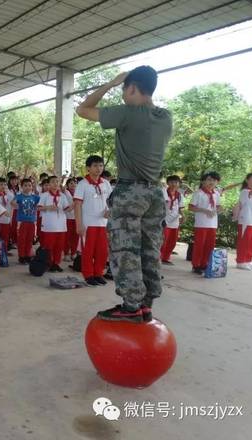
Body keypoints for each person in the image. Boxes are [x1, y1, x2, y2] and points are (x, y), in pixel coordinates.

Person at [76, 65, 172, 323]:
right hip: (154, 193)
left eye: (123, 90)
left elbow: (82, 109)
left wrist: (108, 84)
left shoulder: (129, 113)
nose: (122, 95)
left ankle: (131, 306)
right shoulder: (165, 117)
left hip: (130, 191)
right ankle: (146, 304)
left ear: (131, 88)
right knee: (149, 249)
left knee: (124, 249)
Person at [72, 156, 112, 287]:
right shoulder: (83, 184)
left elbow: (110, 202)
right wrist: (79, 224)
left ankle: (98, 273)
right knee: (88, 251)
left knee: (102, 251)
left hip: (103, 223)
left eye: (101, 166)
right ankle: (88, 275)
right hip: (88, 224)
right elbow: (77, 205)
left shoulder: (105, 183)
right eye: (95, 166)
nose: (98, 169)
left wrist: (109, 211)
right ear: (88, 168)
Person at [189, 172, 222, 274]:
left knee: (210, 245)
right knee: (200, 245)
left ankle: (205, 264)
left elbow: (218, 206)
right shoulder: (198, 193)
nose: (211, 182)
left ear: (217, 182)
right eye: (209, 180)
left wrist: (220, 209)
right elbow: (191, 207)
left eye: (214, 180)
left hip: (212, 224)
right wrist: (204, 210)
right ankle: (196, 265)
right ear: (203, 181)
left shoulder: (216, 193)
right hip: (201, 224)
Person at [38, 176, 71, 272]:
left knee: (59, 246)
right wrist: (48, 207)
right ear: (48, 184)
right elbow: (38, 208)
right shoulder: (44, 195)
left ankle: (56, 263)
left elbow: (66, 209)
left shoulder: (62, 196)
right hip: (49, 225)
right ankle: (49, 263)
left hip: (61, 225)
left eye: (57, 182)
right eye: (53, 182)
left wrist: (74, 205)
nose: (55, 184)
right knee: (49, 246)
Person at [235, 173, 252, 270]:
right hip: (246, 221)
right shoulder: (245, 191)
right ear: (247, 180)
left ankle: (248, 260)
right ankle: (240, 261)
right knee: (244, 242)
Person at [11, 178, 40, 264]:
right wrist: (16, 204)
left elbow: (41, 203)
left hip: (32, 221)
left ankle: (28, 255)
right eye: (25, 185)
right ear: (21, 186)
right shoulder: (19, 196)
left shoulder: (35, 197)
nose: (28, 187)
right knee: (21, 239)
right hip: (21, 221)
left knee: (30, 239)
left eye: (29, 185)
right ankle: (21, 256)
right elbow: (12, 203)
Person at [160, 175, 184, 265]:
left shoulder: (179, 195)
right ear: (168, 183)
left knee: (172, 241)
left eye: (176, 182)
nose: (174, 184)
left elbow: (180, 208)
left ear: (179, 184)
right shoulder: (164, 192)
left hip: (175, 220)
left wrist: (183, 216)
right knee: (163, 240)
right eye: (172, 182)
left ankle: (166, 257)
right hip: (165, 219)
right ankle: (159, 257)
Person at [0, 178, 14, 249]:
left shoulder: (8, 194)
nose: (3, 186)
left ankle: (3, 255)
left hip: (6, 221)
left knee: (5, 239)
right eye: (1, 184)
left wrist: (8, 192)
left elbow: (14, 201)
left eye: (5, 184)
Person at [63, 178, 78, 262]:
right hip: (67, 218)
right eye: (71, 183)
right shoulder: (65, 192)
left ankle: (73, 253)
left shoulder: (78, 193)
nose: (73, 185)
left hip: (76, 218)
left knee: (75, 237)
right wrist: (63, 179)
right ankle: (66, 253)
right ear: (67, 185)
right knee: (67, 237)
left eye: (75, 183)